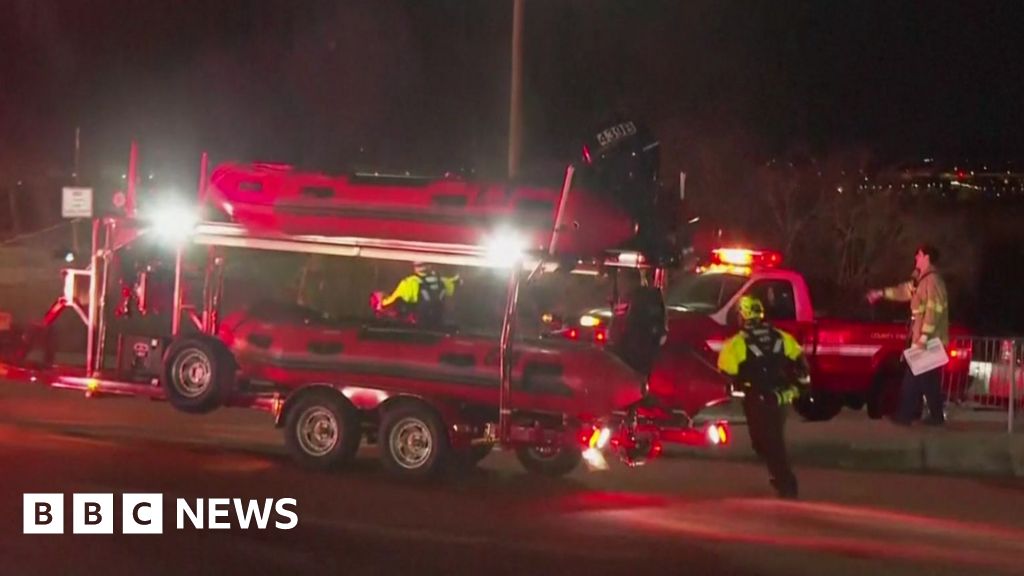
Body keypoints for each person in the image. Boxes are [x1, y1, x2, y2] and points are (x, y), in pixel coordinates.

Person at [717, 295, 810, 499]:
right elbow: (801, 364)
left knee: (767, 443)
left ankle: (786, 485)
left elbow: (726, 369)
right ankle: (781, 478)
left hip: (757, 400)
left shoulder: (738, 343)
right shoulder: (781, 337)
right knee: (772, 441)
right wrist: (800, 389)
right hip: (780, 398)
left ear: (742, 316)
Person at [866, 244, 949, 426]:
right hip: (926, 339)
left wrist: (923, 339)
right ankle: (936, 417)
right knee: (928, 380)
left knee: (912, 377)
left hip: (927, 340)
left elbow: (933, 312)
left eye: (919, 255)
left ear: (927, 257)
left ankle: (904, 415)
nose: (916, 258)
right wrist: (880, 293)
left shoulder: (932, 281)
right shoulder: (922, 279)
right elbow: (903, 291)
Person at [380, 262, 460, 327]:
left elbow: (389, 303)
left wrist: (381, 300)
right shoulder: (443, 281)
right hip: (439, 327)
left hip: (418, 330)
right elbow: (455, 282)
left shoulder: (409, 283)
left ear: (415, 266)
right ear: (430, 265)